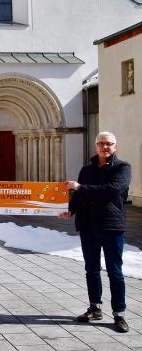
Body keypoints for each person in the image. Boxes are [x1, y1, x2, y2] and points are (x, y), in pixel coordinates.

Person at [63, 132, 131, 333]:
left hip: (112, 227)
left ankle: (119, 314)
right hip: (88, 226)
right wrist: (70, 209)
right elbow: (78, 195)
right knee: (91, 270)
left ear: (115, 147)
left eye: (109, 144)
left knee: (115, 272)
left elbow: (112, 190)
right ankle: (95, 308)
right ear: (96, 146)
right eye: (101, 143)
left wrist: (81, 188)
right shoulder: (87, 169)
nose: (105, 147)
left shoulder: (122, 168)